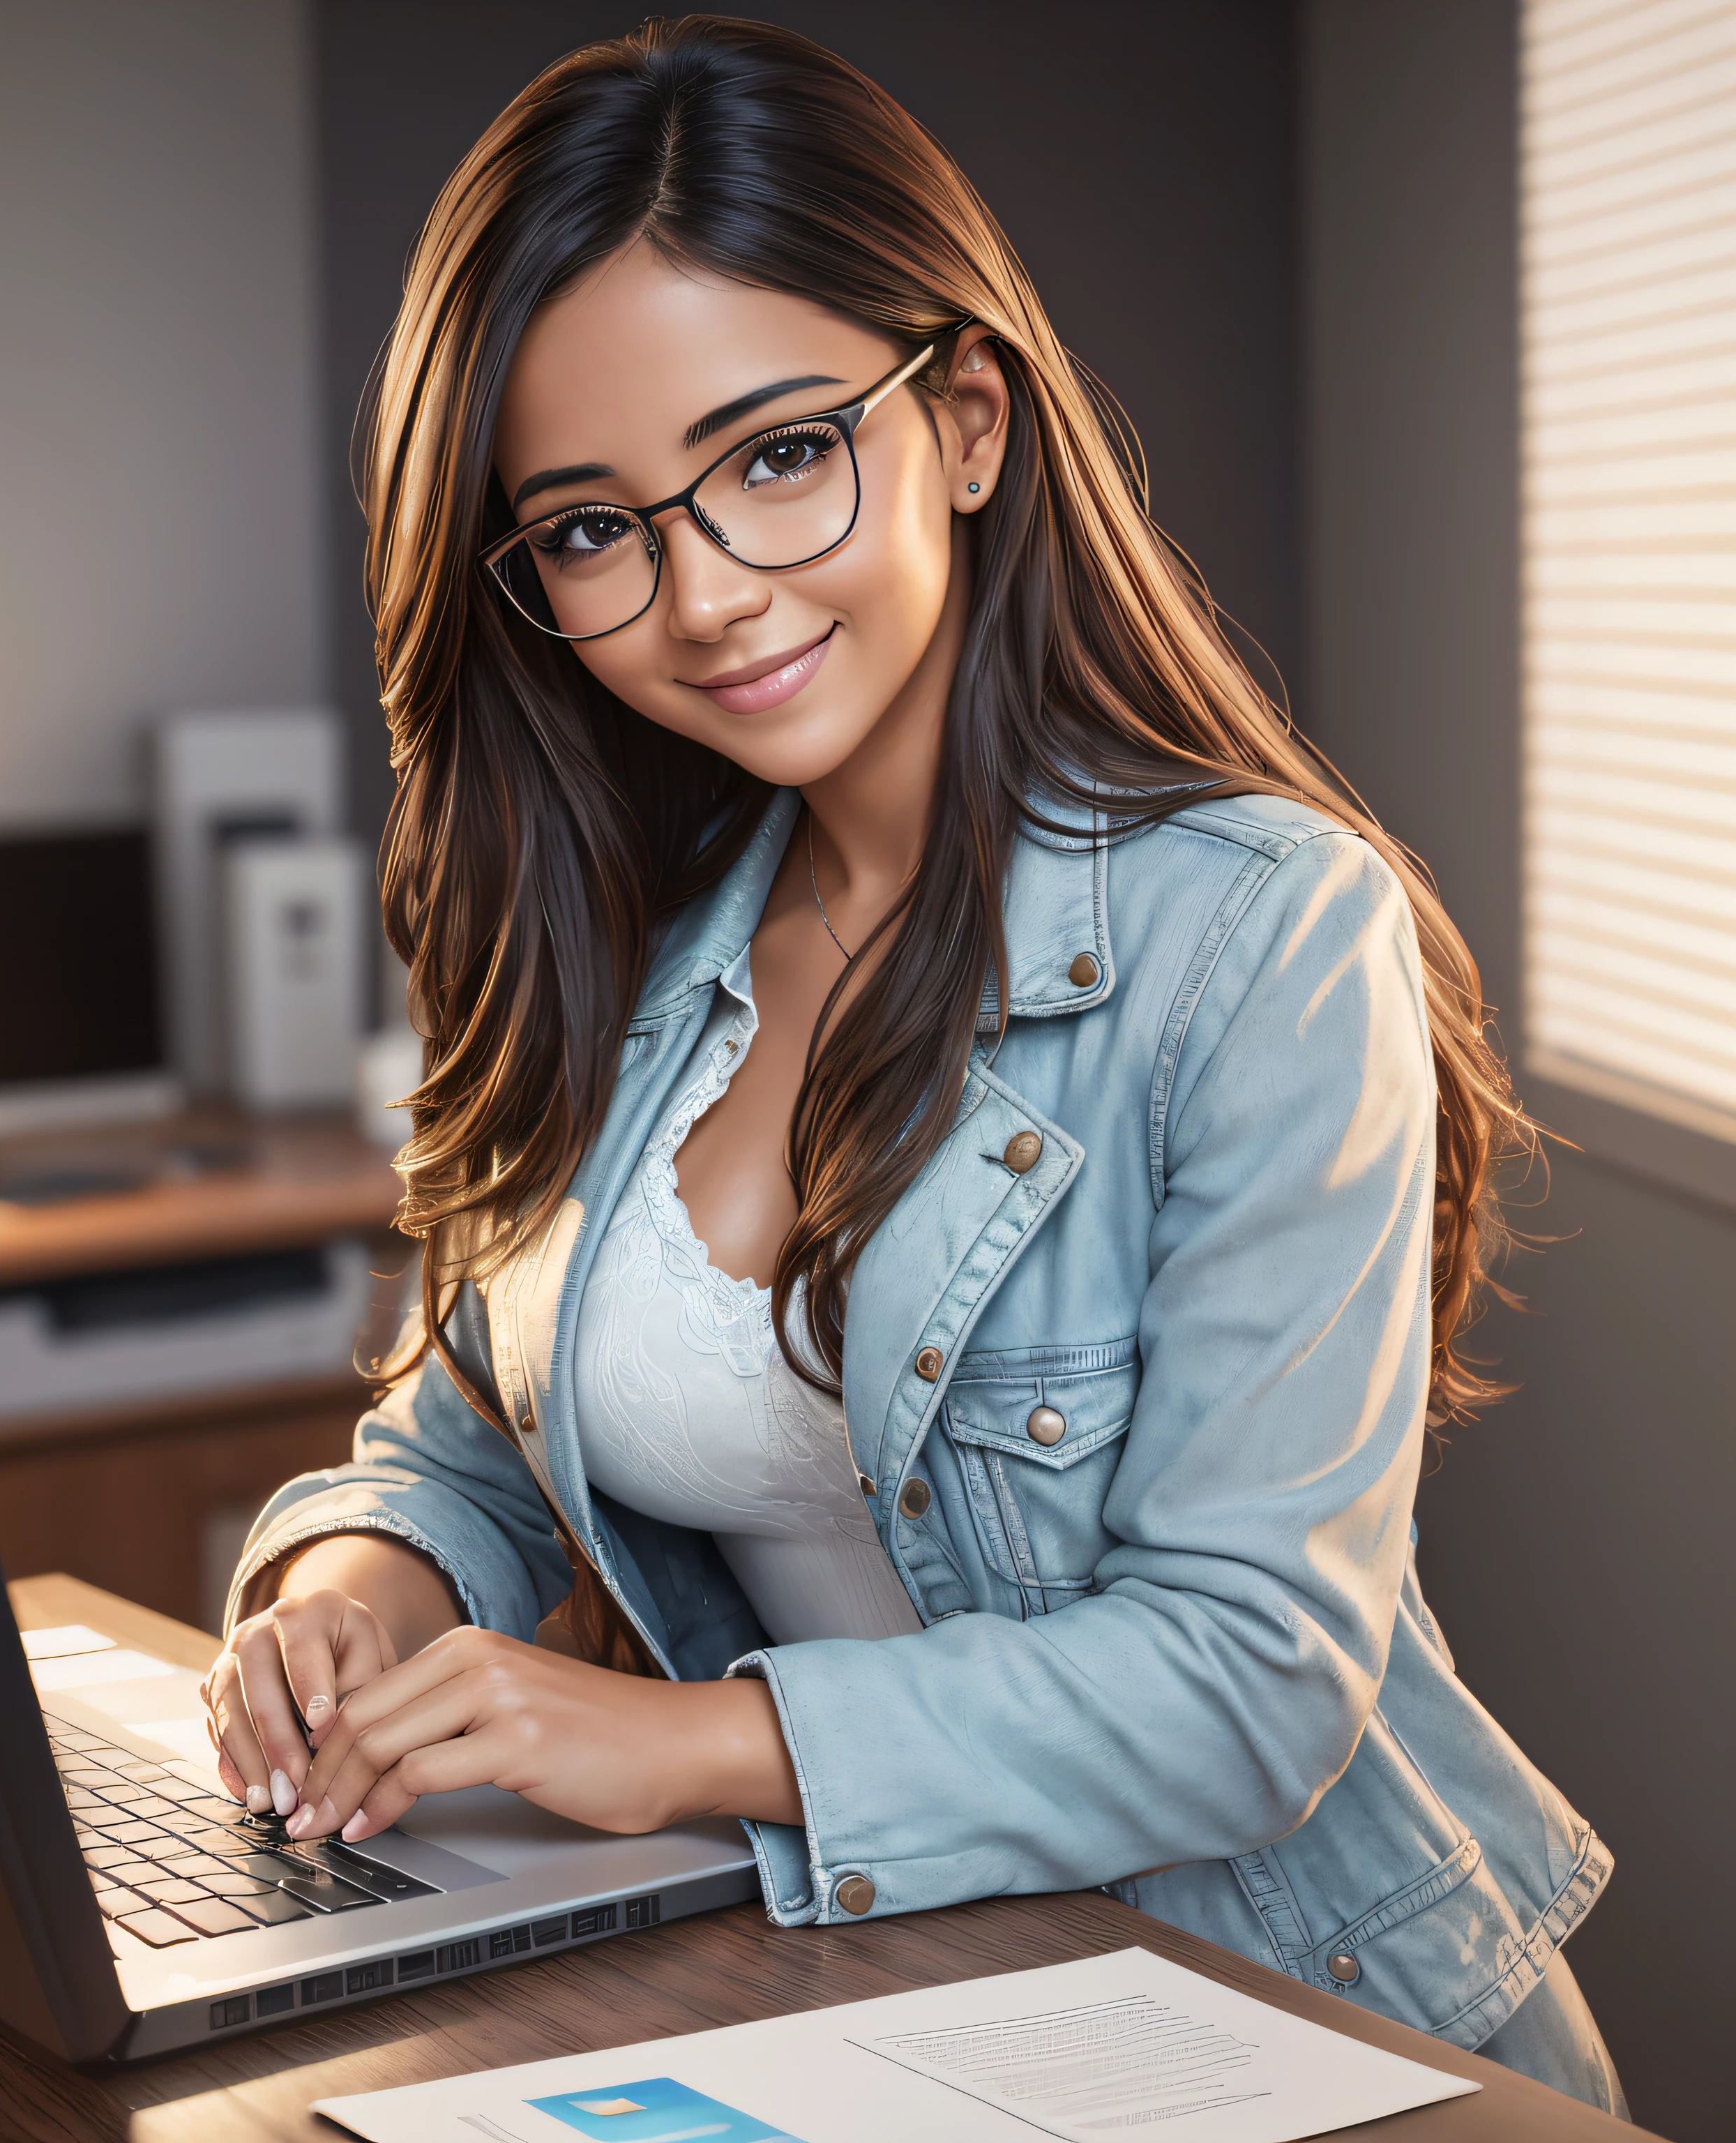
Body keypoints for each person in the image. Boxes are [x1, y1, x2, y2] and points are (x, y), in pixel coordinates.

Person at [201, 17, 1624, 2115]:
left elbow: (1250, 1686)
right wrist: (350, 1588)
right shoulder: (619, 930)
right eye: (592, 531)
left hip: (1303, 2025)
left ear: (961, 417)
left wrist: (677, 1743)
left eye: (780, 455)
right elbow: (468, 1441)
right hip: (874, 2008)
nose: (704, 599)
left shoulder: (1261, 934)